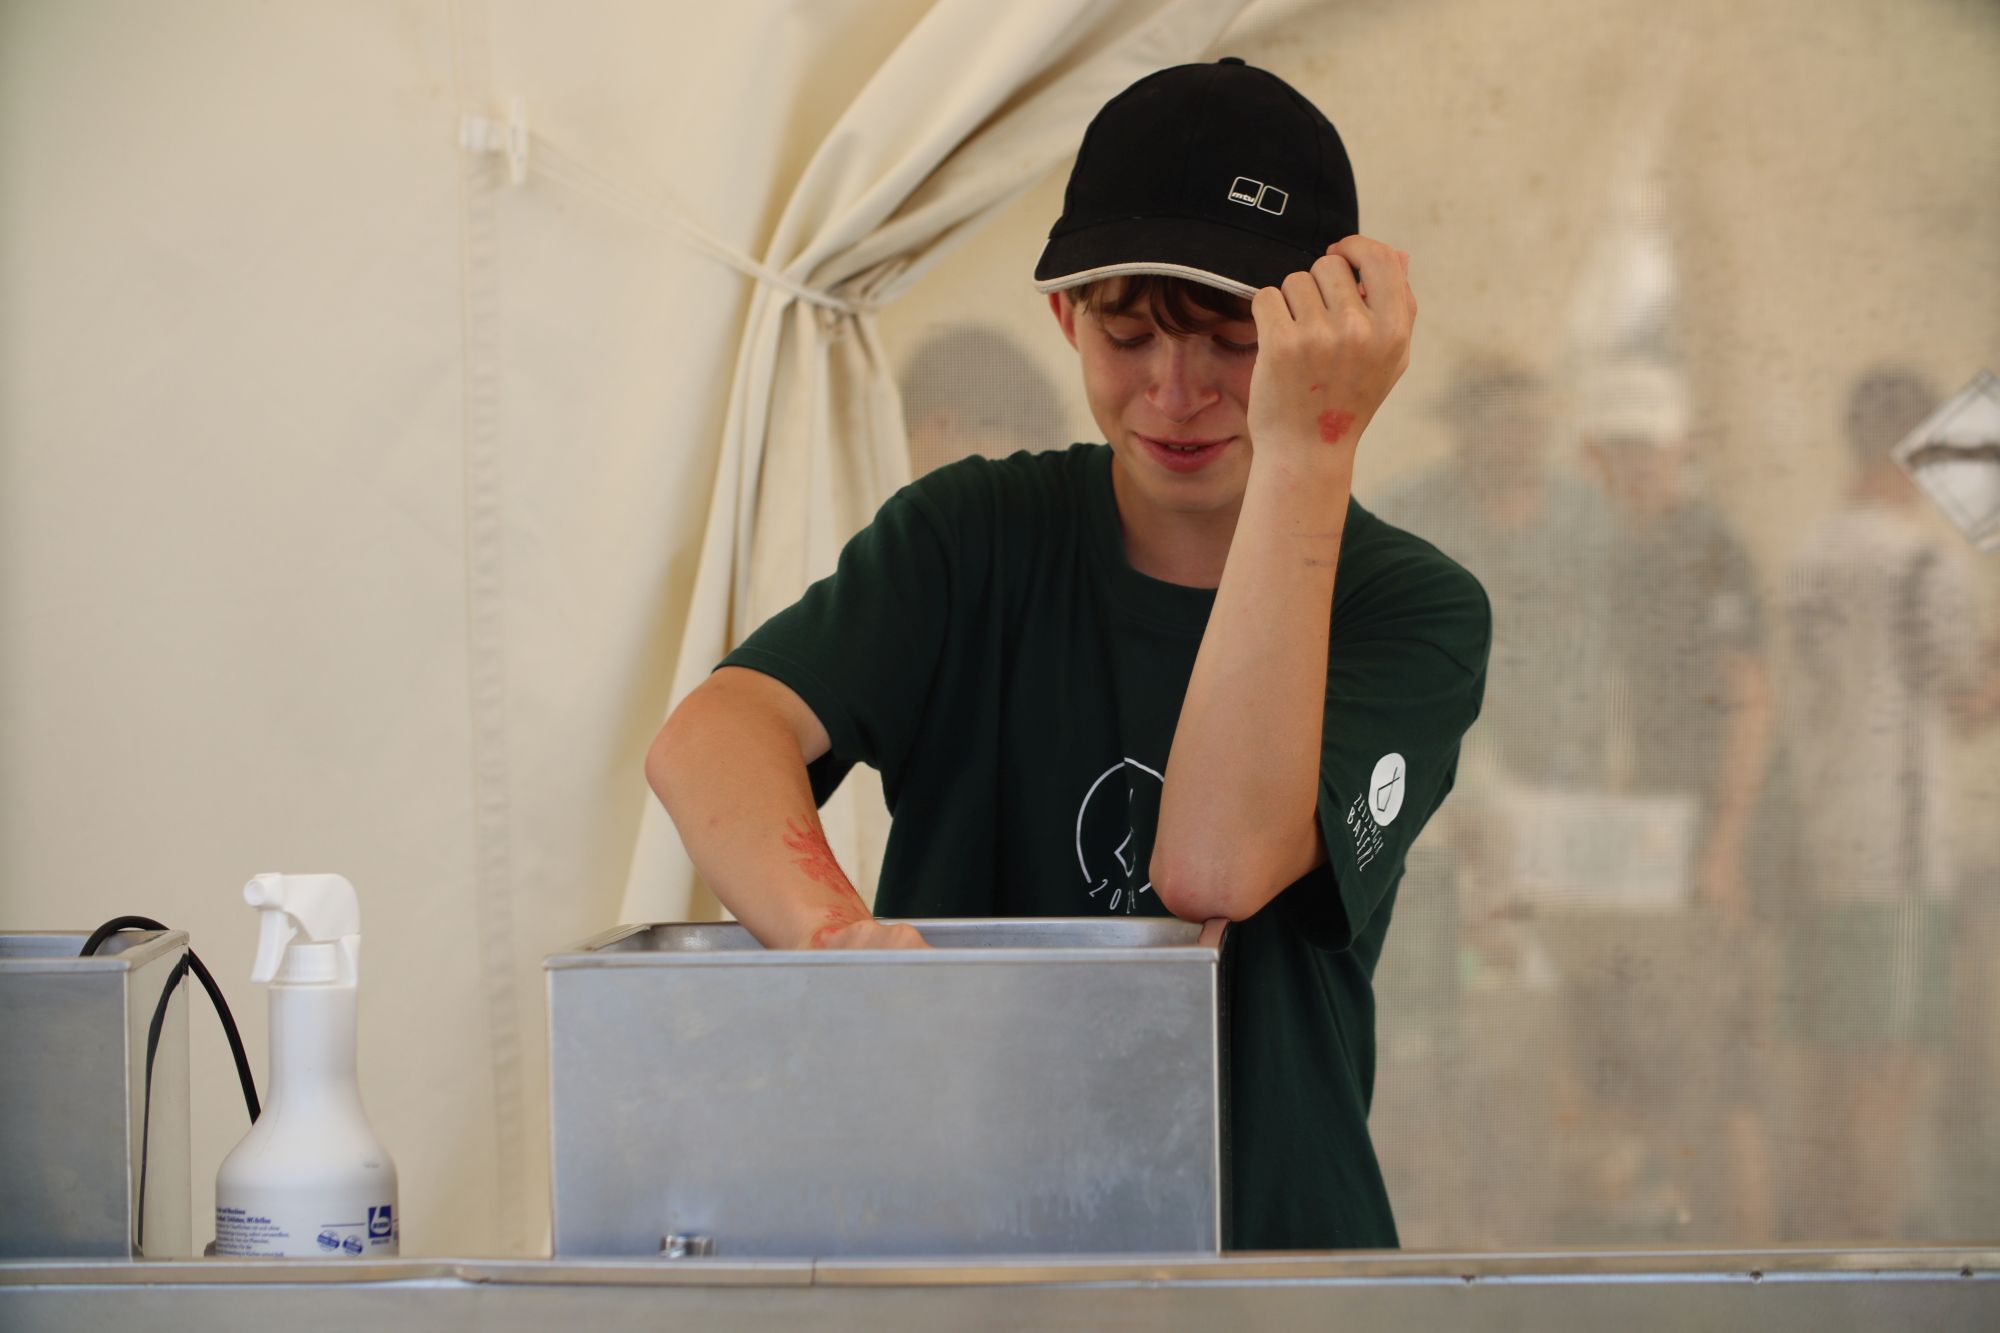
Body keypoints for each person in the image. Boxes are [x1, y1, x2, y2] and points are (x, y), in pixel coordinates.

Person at [647, 58, 1490, 1251]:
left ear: (1325, 345)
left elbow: (1211, 864)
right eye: (1127, 333)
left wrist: (1313, 445)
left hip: (1272, 1266)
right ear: (1064, 318)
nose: (1175, 392)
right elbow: (711, 736)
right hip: (955, 1246)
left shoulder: (1410, 607)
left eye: (1231, 341)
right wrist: (835, 939)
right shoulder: (971, 539)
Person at [1783, 365, 1987, 1239]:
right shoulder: (1921, 560)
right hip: (1899, 853)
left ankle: (1834, 1254)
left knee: (1836, 1066)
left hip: (1826, 839)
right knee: (1890, 1071)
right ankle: (1870, 1260)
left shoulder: (1814, 550)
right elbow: (1968, 699)